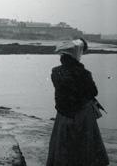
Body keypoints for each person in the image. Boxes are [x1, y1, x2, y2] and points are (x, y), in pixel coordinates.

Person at [46, 38, 109, 166]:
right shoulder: (84, 73)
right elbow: (93, 92)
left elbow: (63, 89)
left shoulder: (55, 71)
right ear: (76, 55)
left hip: (63, 114)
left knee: (62, 146)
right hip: (82, 115)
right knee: (85, 148)